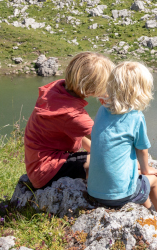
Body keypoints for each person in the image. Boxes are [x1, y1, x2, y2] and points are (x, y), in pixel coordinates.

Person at [87, 61, 157, 221]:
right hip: (120, 195)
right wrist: (146, 169)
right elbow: (142, 149)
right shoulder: (136, 117)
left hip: (94, 191)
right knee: (153, 181)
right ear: (141, 91)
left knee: (138, 180)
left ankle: (148, 211)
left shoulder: (101, 110)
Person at [23, 52, 114, 189]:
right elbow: (109, 141)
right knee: (106, 162)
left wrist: (96, 149)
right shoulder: (72, 115)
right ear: (94, 86)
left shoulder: (57, 89)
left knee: (100, 155)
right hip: (46, 171)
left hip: (37, 165)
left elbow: (80, 133)